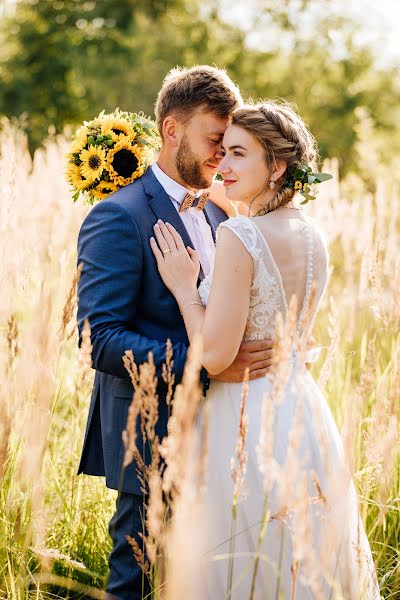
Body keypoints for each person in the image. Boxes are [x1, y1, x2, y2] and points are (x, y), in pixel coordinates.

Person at [150, 101, 380, 598]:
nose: (223, 166)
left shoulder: (241, 235)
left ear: (275, 166)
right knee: (298, 565)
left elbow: (214, 355)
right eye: (222, 152)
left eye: (237, 154)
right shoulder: (312, 234)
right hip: (302, 412)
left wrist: (185, 287)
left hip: (245, 418)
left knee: (242, 557)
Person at [76, 66, 276, 600]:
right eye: (215, 140)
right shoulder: (117, 216)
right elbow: (100, 339)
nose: (223, 157)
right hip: (150, 431)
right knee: (137, 580)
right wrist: (205, 361)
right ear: (172, 128)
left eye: (232, 146)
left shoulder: (219, 211)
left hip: (219, 429)